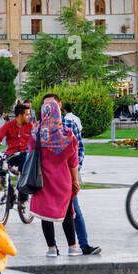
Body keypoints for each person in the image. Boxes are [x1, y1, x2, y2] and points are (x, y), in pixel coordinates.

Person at [28, 99, 83, 257]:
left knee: (46, 215)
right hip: (63, 181)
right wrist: (75, 180)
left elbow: (31, 154)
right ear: (58, 113)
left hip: (43, 180)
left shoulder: (36, 133)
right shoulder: (67, 135)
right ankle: (72, 247)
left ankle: (51, 248)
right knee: (67, 213)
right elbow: (73, 161)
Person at [57, 98, 102, 256]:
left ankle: (82, 245)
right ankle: (52, 247)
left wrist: (75, 173)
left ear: (60, 105)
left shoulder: (70, 125)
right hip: (50, 177)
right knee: (47, 211)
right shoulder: (42, 127)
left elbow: (79, 150)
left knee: (74, 209)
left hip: (68, 175)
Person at [0, 102, 33, 201]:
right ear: (20, 115)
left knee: (24, 170)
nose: (29, 116)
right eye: (27, 114)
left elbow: (36, 140)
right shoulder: (8, 125)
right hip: (11, 154)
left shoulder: (30, 126)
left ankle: (23, 199)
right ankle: (9, 191)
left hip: (24, 154)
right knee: (1, 168)